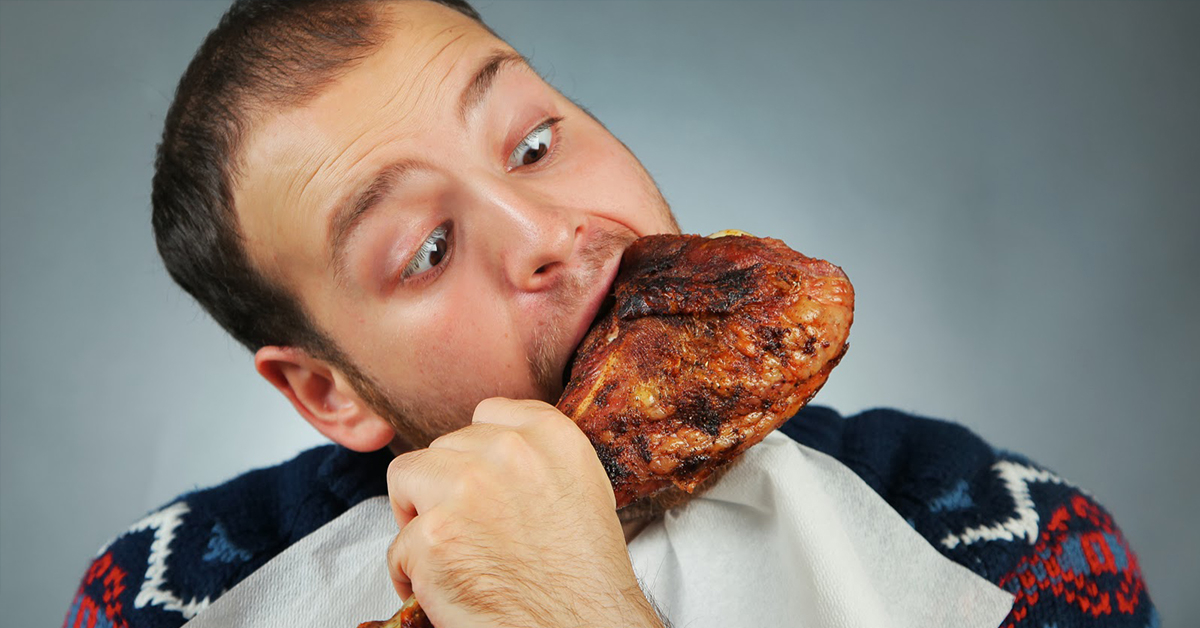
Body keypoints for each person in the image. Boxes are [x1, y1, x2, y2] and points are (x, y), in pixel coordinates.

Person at [63, 1, 1156, 627]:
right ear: (327, 389)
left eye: (534, 143)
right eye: (428, 248)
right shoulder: (173, 592)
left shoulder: (1002, 538)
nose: (546, 229)